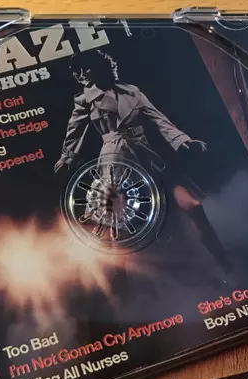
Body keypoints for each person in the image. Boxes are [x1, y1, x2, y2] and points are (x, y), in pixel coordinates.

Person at [55, 50, 231, 272]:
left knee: (194, 206)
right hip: (115, 159)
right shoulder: (84, 100)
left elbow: (158, 119)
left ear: (100, 65)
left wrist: (183, 141)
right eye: (75, 71)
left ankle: (226, 264)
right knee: (119, 228)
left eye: (84, 68)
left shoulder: (132, 91)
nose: (80, 74)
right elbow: (74, 131)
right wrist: (67, 157)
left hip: (147, 154)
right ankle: (119, 284)